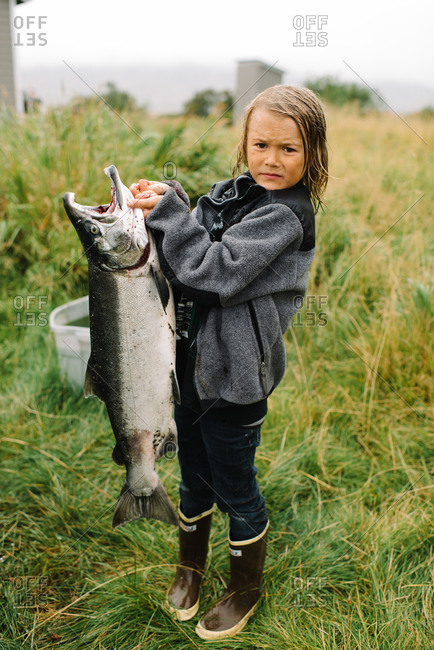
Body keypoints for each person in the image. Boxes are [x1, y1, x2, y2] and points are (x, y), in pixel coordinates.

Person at [128, 84, 328, 640]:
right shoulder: (231, 194)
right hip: (190, 368)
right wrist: (168, 197)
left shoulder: (287, 217)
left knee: (237, 487)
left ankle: (244, 589)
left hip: (237, 381)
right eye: (261, 144)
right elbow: (189, 236)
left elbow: (212, 271)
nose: (271, 159)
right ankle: (190, 568)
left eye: (289, 149)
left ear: (313, 154)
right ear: (245, 142)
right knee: (194, 482)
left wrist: (170, 212)